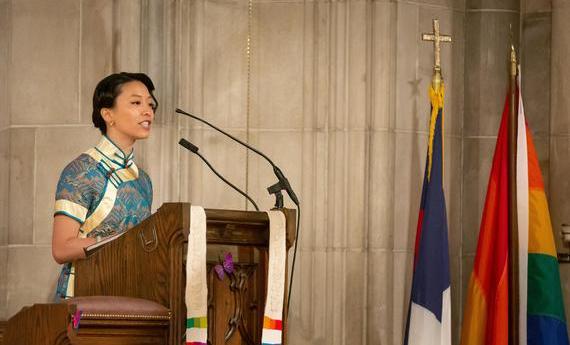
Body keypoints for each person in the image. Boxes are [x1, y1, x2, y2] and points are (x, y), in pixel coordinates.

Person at [51, 72, 158, 300]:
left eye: (150, 104)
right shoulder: (82, 171)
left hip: (131, 296)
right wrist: (123, 241)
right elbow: (61, 249)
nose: (148, 110)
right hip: (82, 297)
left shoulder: (143, 180)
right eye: (136, 103)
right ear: (108, 114)